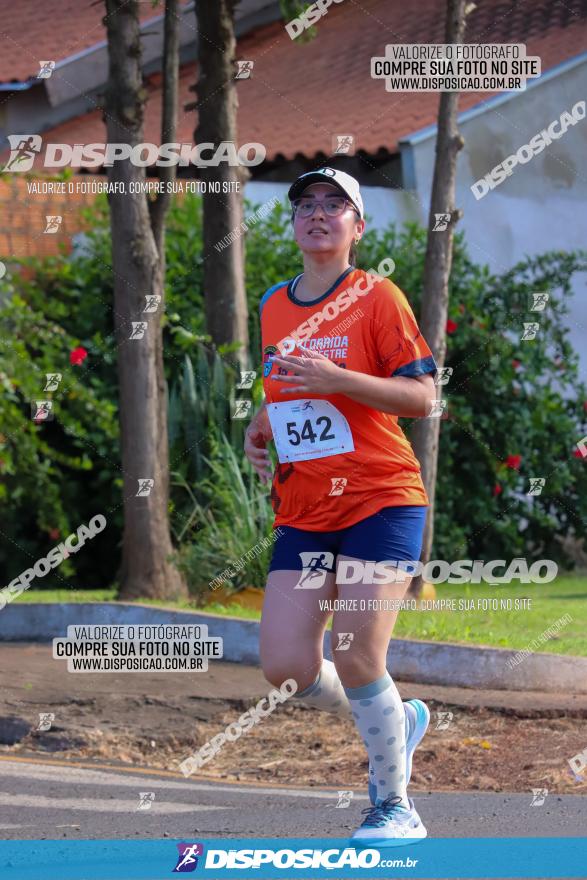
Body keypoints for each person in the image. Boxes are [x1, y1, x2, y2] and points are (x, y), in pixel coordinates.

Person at [244, 167, 438, 846]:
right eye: (306, 205)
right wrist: (263, 426)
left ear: (358, 226)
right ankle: (395, 714)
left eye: (335, 205)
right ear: (293, 223)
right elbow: (284, 390)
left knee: (356, 653)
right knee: (286, 668)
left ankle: (393, 805)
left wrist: (338, 378)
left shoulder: (377, 297)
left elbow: (422, 398)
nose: (317, 214)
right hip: (304, 507)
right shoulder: (272, 303)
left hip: (380, 498)